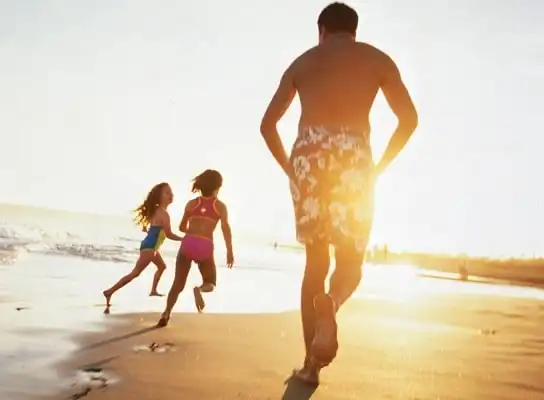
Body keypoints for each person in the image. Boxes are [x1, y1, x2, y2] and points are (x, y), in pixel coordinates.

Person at [259, 2, 418, 384]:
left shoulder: (302, 62)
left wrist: (291, 169)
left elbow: (267, 125)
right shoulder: (377, 60)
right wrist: (377, 167)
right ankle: (332, 304)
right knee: (351, 261)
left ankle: (309, 367)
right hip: (354, 157)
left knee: (315, 263)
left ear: (322, 30)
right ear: (354, 31)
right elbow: (408, 119)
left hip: (308, 157)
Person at [157, 170, 234, 327]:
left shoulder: (191, 204)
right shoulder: (220, 207)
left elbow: (181, 227)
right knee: (210, 282)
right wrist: (229, 251)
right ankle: (199, 290)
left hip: (188, 244)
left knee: (177, 284)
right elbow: (226, 229)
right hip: (205, 245)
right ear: (217, 188)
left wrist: (193, 232)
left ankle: (166, 313)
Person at [103, 183, 182, 311]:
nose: (170, 195)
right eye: (167, 193)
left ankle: (153, 290)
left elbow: (154, 230)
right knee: (135, 274)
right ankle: (110, 291)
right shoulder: (163, 214)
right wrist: (183, 239)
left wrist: (147, 230)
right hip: (150, 248)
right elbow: (168, 234)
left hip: (150, 246)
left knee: (162, 267)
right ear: (159, 197)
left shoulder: (157, 211)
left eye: (171, 192)